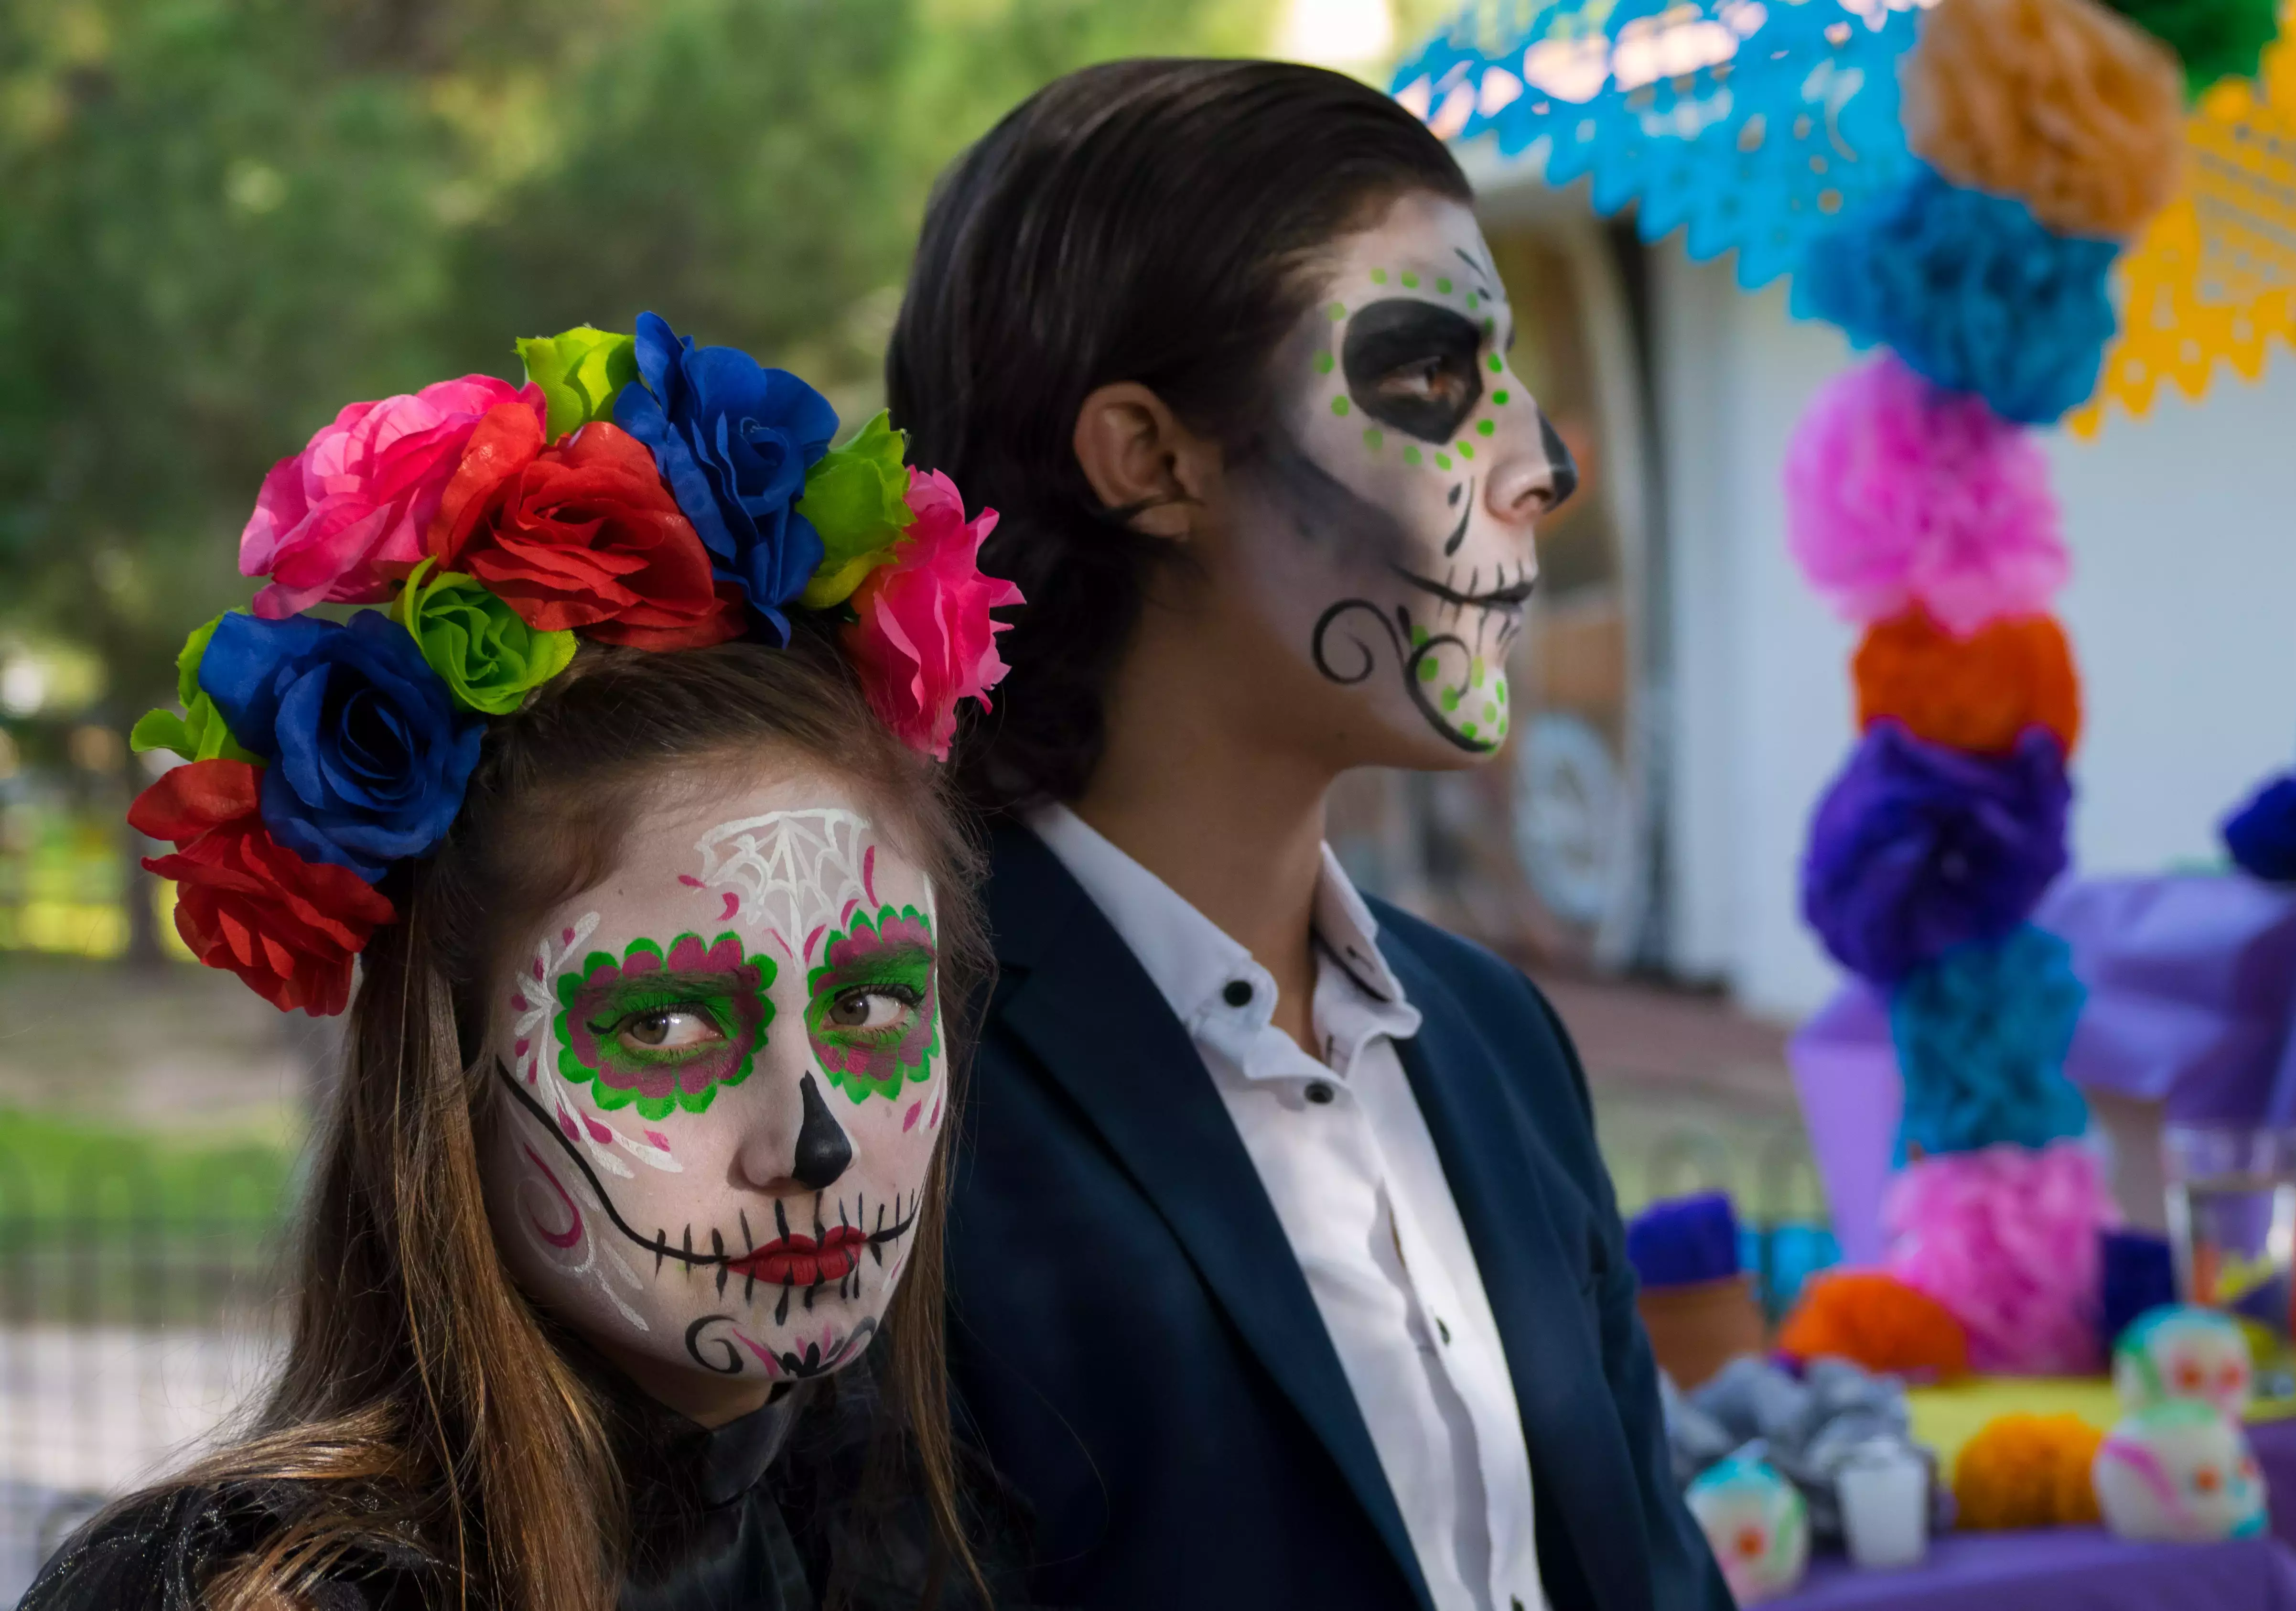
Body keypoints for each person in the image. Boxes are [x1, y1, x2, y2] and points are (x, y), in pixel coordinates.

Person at [889, 59, 1728, 1611]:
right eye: (1429, 377)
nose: (1543, 464)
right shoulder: (892, 1084)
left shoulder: (1498, 1040)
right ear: (1149, 457)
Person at [26, 318, 1017, 1611]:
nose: (813, 1143)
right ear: (451, 1055)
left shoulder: (942, 1545)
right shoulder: (241, 1596)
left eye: (874, 1001)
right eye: (663, 1024)